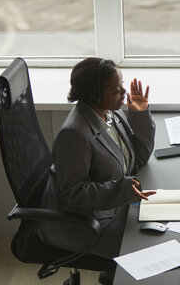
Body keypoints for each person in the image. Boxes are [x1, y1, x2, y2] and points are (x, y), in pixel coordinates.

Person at [38, 58, 156, 283]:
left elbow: (139, 157)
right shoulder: (74, 134)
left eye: (121, 84)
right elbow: (74, 193)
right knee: (148, 250)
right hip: (91, 223)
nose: (123, 92)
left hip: (117, 207)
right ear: (94, 95)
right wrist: (123, 189)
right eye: (115, 89)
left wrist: (139, 114)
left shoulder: (111, 113)